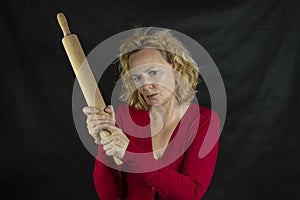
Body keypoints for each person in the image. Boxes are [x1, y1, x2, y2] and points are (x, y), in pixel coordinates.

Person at [83, 27, 220, 200]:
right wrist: (104, 141)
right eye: (137, 77)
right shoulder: (126, 115)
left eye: (153, 73)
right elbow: (110, 195)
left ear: (176, 69)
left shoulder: (204, 121)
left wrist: (131, 153)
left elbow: (190, 194)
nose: (146, 85)